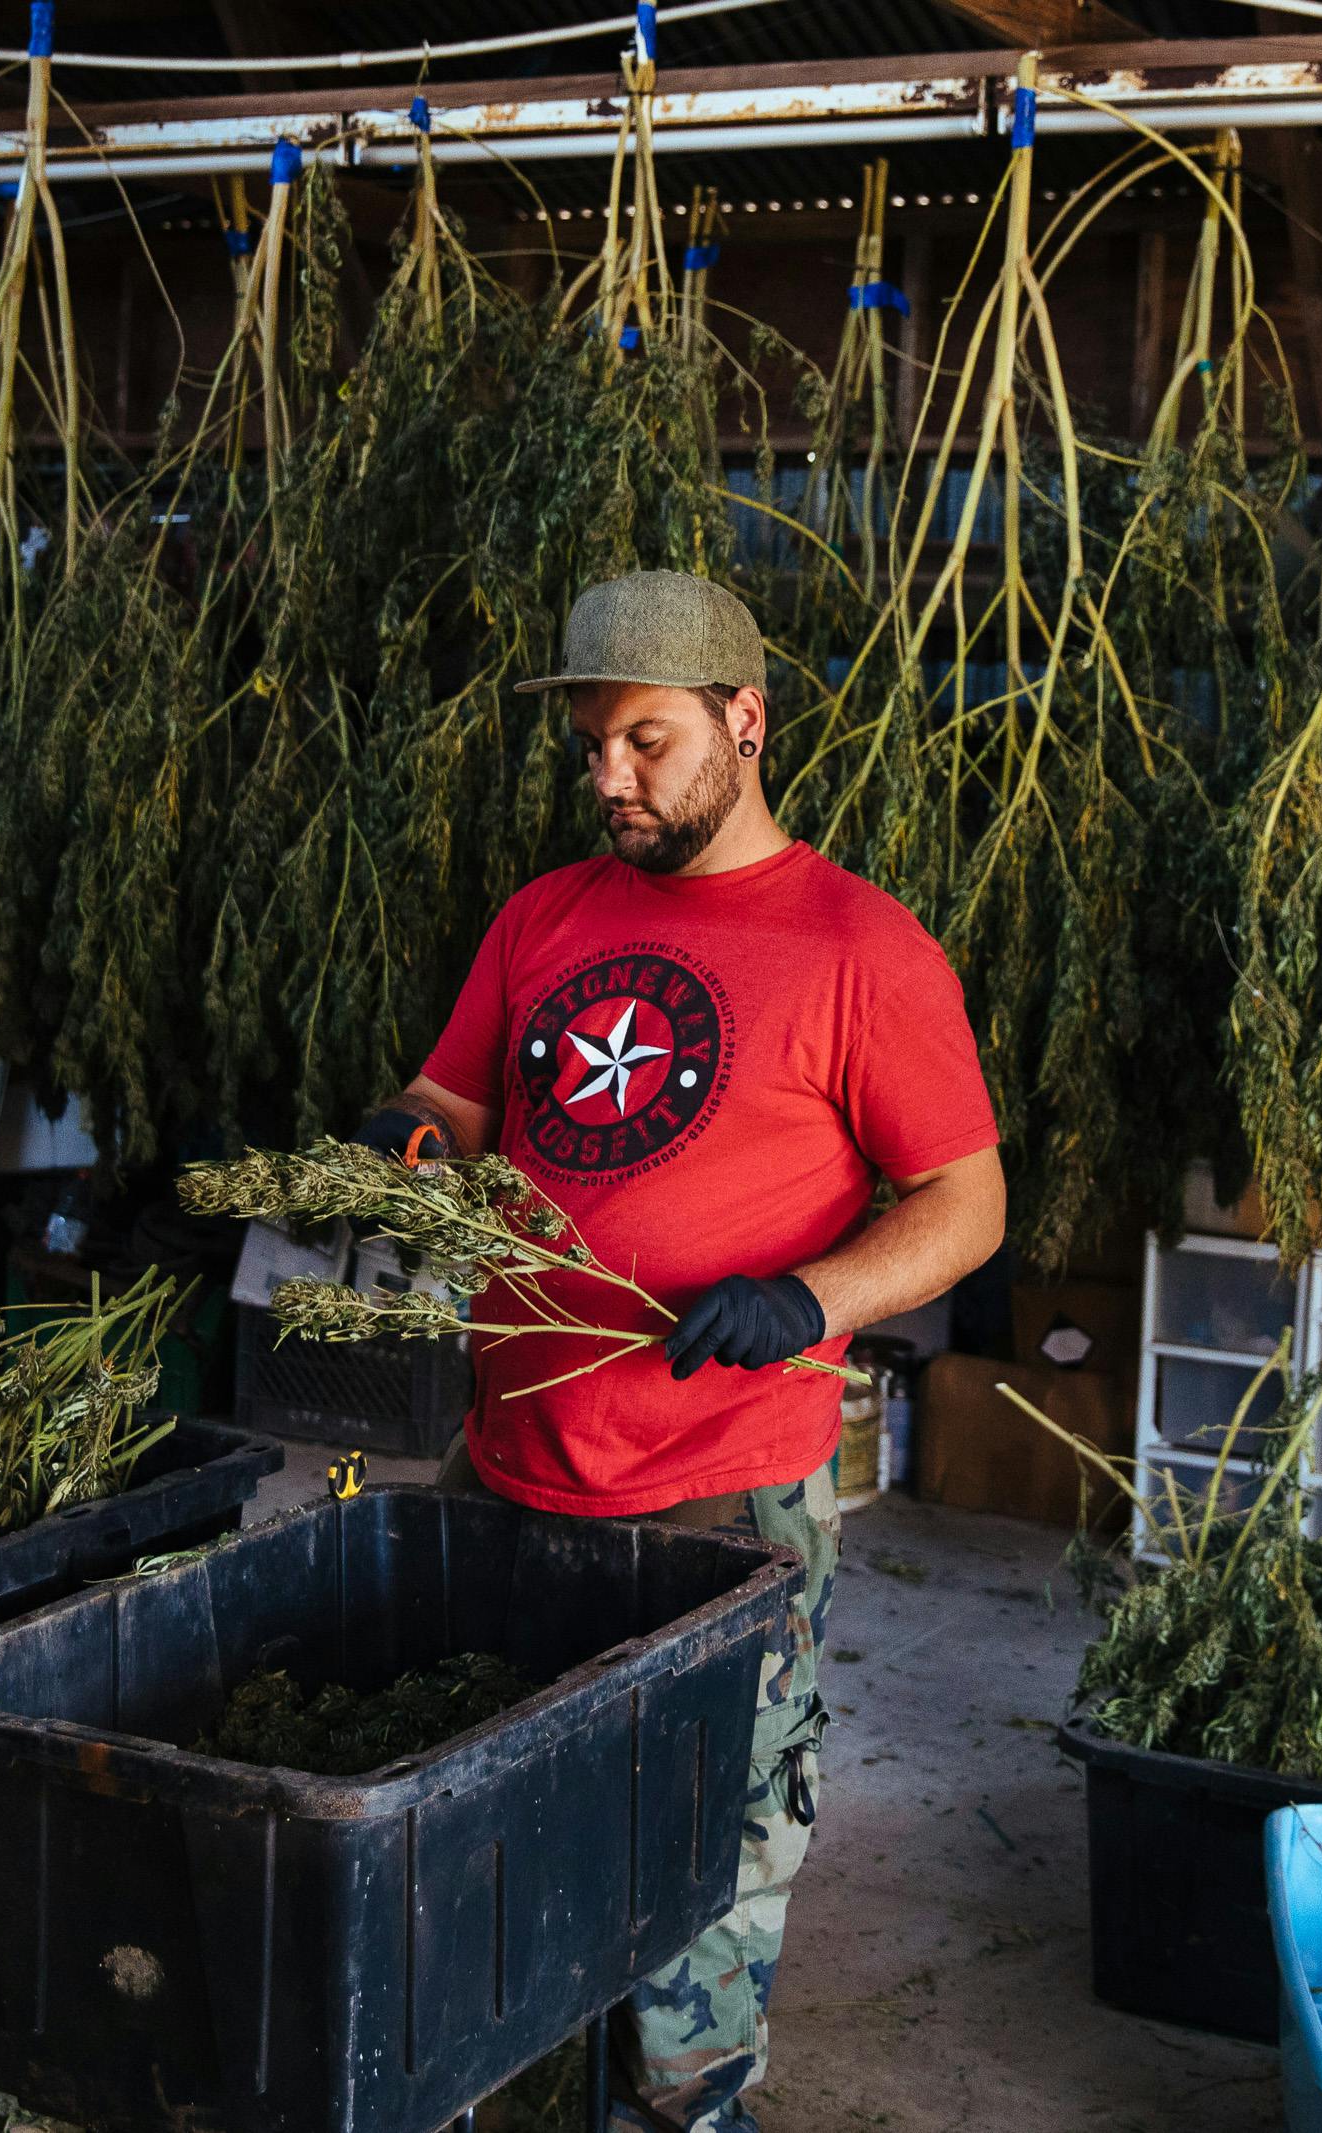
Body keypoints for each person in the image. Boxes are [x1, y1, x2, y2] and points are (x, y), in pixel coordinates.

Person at [362, 570, 1005, 2133]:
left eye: (644, 741)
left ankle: (685, 2102)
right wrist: (403, 1143)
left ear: (745, 721)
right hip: (509, 1465)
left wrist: (813, 1298)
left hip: (724, 1499)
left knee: (708, 1847)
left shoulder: (865, 947)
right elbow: (451, 1102)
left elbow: (967, 1201)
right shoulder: (547, 916)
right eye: (590, 747)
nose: (611, 780)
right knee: (486, 1818)